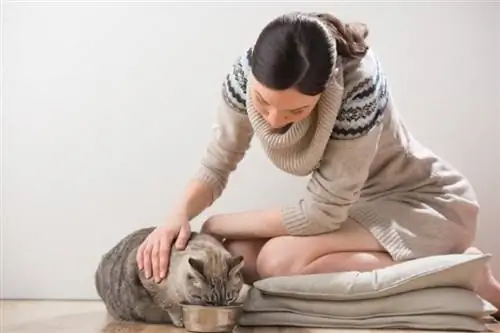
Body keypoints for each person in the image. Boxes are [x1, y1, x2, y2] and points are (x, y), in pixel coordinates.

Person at [136, 11, 500, 315]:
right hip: (360, 207)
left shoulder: (359, 85)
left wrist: (217, 221)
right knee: (238, 257)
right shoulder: (246, 72)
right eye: (263, 103)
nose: (275, 120)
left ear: (325, 90)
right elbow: (217, 164)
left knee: (279, 261)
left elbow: (321, 212)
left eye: (297, 110)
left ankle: (459, 271)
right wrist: (177, 215)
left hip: (427, 204)